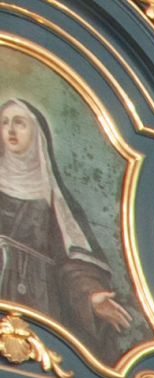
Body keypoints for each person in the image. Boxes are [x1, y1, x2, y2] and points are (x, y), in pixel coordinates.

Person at [0, 100, 137, 360]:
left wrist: (90, 296)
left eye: (19, 123)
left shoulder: (55, 199)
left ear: (36, 133)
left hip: (39, 300)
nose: (11, 130)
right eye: (4, 123)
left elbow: (72, 263)